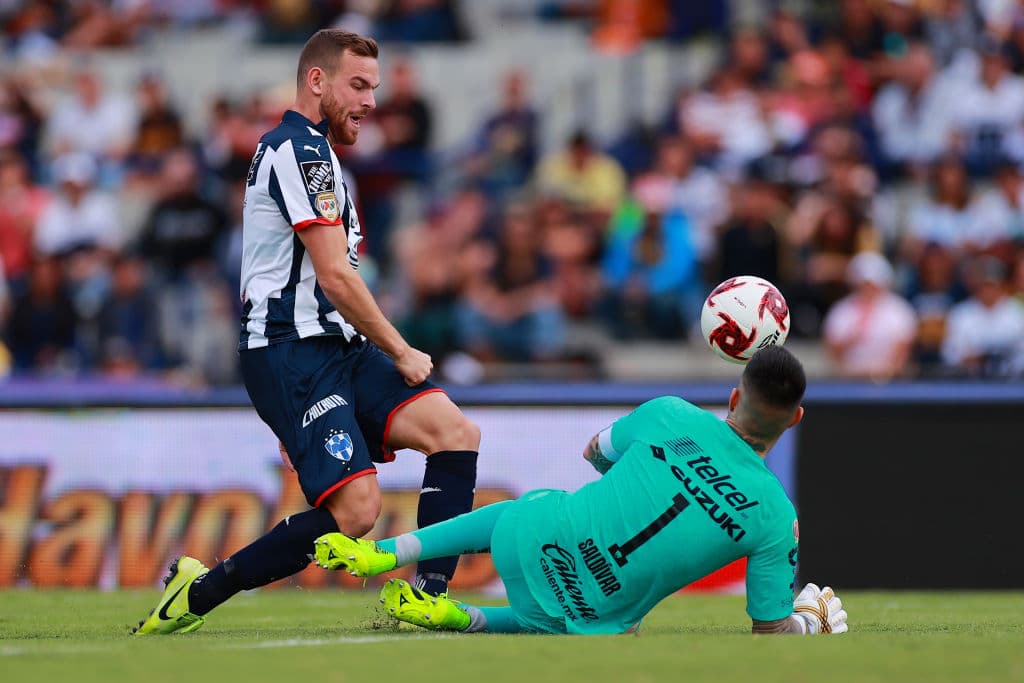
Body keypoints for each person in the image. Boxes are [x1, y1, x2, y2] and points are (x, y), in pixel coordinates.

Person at [133, 29, 480, 635]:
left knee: (455, 432)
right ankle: (196, 593)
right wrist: (401, 349)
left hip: (335, 346)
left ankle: (426, 595)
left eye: (374, 86)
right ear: (317, 81)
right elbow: (337, 278)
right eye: (359, 85)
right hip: (289, 351)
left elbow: (335, 282)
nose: (371, 101)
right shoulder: (300, 151)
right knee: (357, 513)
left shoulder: (316, 154)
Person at [315, 346, 849, 636]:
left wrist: (650, 475)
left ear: (733, 395)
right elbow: (768, 626)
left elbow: (594, 451)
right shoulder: (778, 518)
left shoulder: (670, 414)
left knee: (522, 511)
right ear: (796, 419)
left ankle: (380, 552)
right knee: (562, 620)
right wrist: (809, 627)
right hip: (594, 617)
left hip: (533, 540)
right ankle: (460, 617)